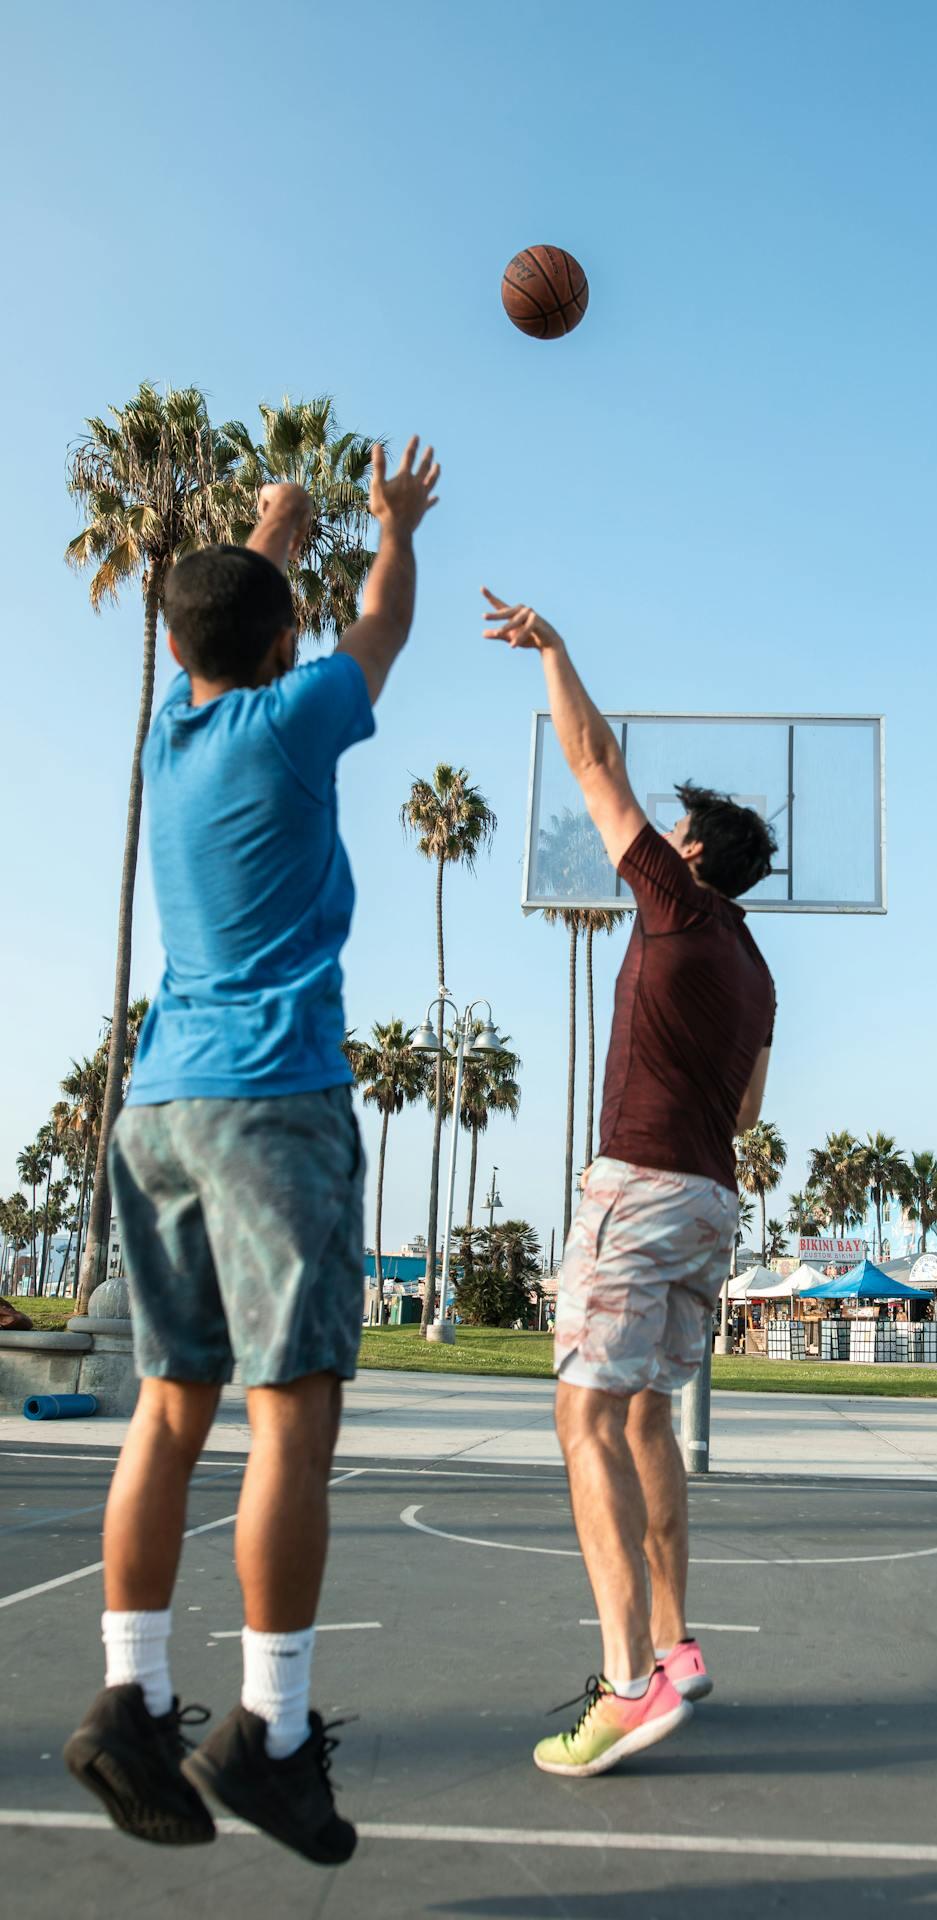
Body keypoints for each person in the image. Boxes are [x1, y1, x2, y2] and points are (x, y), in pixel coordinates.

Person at [62, 439, 441, 1862]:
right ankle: (270, 1732)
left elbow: (233, 607)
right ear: (281, 640)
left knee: (171, 1409)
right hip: (271, 1103)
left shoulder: (171, 729)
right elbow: (386, 623)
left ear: (176, 644)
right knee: (293, 1420)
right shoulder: (293, 720)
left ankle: (132, 1700)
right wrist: (392, 527)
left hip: (154, 1103)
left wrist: (277, 524)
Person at [484, 587, 776, 1778]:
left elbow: (592, 756)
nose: (658, 834)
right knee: (649, 1414)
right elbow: (750, 1111)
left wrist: (552, 650)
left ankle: (625, 1684)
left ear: (693, 855)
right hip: (710, 1201)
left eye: (675, 829)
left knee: (582, 1419)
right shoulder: (756, 970)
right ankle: (677, 1642)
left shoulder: (676, 902)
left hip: (643, 1188)